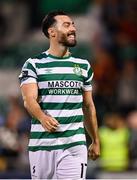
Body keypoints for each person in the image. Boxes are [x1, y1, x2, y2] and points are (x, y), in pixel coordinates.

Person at [19, 11, 100, 179]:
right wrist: (42, 117)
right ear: (52, 32)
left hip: (74, 145)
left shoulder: (83, 66)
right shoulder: (34, 64)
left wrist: (95, 141)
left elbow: (88, 106)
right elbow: (29, 100)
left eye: (73, 25)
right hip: (42, 145)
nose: (73, 28)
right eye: (67, 25)